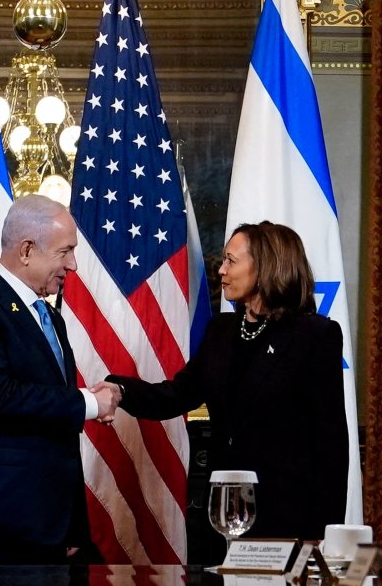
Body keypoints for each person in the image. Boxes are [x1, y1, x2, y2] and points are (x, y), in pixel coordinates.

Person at [107, 221, 347, 542]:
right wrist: (119, 390)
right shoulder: (221, 331)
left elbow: (331, 446)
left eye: (231, 261)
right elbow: (176, 395)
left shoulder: (314, 336)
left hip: (287, 519)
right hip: (222, 514)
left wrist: (323, 535)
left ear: (265, 266)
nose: (221, 270)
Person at [0, 195, 121, 564]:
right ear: (28, 250)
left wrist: (72, 526)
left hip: (46, 529)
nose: (74, 265)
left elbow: (55, 430)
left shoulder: (51, 318)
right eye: (65, 252)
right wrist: (89, 403)